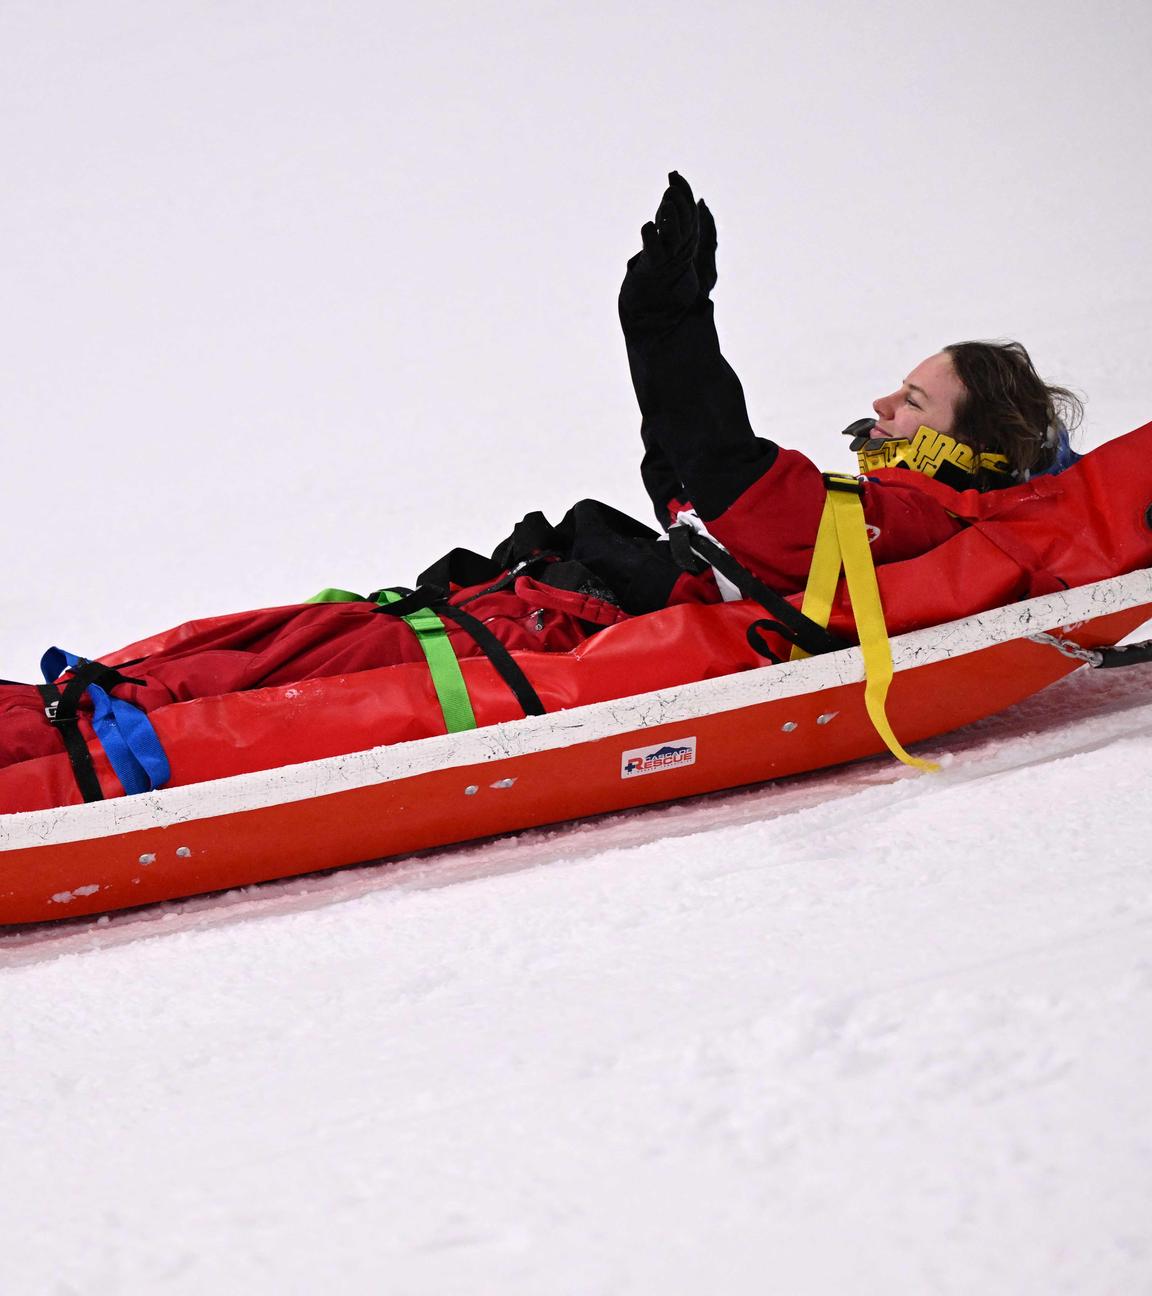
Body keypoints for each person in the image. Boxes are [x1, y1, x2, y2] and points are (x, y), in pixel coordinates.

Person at [0, 173, 1083, 776]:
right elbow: (690, 484)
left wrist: (671, 323)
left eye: (917, 402)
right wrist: (652, 326)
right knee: (203, 659)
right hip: (519, 611)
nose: (885, 410)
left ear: (977, 442)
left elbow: (729, 474)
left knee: (169, 701)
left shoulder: (909, 526)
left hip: (540, 637)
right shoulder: (882, 516)